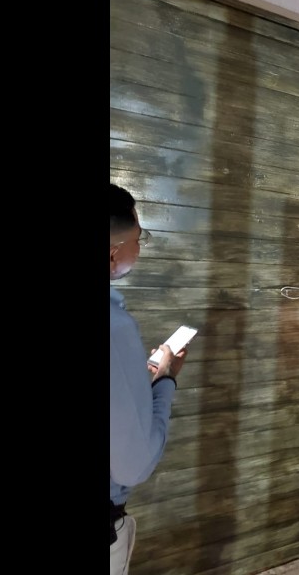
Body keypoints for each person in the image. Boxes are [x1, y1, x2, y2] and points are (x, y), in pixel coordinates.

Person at [110, 183, 187, 575]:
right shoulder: (115, 328)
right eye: (139, 240)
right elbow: (133, 465)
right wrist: (164, 381)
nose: (140, 249)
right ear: (113, 253)